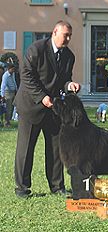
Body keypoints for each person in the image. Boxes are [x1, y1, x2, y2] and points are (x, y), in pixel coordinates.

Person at [14, 21, 80, 198]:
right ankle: (22, 188)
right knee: (26, 149)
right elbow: (26, 76)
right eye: (65, 35)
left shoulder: (69, 56)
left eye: (70, 36)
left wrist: (69, 85)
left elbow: (64, 80)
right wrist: (41, 97)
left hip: (53, 109)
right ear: (55, 32)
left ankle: (57, 186)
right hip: (31, 106)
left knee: (56, 149)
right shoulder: (36, 49)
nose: (68, 38)